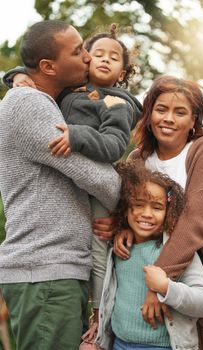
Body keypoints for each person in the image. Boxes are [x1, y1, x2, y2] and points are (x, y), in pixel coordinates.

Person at [3, 24, 142, 319]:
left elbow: (113, 145)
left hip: (57, 268)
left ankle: (99, 311)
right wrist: (131, 209)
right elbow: (96, 177)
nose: (91, 59)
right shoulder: (33, 102)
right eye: (82, 51)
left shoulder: (111, 101)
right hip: (44, 269)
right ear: (49, 67)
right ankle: (99, 312)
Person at [114, 76, 203, 350]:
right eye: (161, 109)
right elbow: (130, 209)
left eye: (180, 112)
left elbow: (196, 220)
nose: (168, 118)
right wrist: (122, 227)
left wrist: (160, 283)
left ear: (193, 121)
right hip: (171, 275)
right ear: (149, 113)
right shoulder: (138, 159)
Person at [82, 160, 203, 350]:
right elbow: (109, 296)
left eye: (157, 207)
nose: (147, 214)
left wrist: (166, 287)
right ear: (126, 208)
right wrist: (99, 325)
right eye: (138, 204)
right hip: (119, 343)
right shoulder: (118, 248)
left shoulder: (175, 251)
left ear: (169, 212)